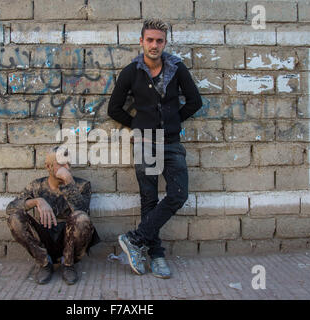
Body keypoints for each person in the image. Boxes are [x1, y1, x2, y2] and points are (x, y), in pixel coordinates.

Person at [107, 18, 202, 278]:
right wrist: (139, 125)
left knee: (178, 194)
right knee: (149, 200)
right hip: (146, 143)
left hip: (171, 143)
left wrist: (172, 121)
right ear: (141, 42)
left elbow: (195, 101)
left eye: (159, 40)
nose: (154, 45)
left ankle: (134, 239)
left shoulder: (177, 68)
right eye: (149, 40)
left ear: (165, 43)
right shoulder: (131, 72)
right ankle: (156, 255)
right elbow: (113, 108)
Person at [6, 146, 100, 285]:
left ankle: (68, 265)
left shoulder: (82, 185)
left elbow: (83, 211)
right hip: (45, 236)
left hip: (68, 240)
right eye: (62, 164)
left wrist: (69, 182)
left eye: (69, 163)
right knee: (14, 218)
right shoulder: (37, 186)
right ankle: (44, 263)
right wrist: (37, 201)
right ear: (48, 167)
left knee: (81, 218)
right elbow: (11, 208)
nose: (67, 167)